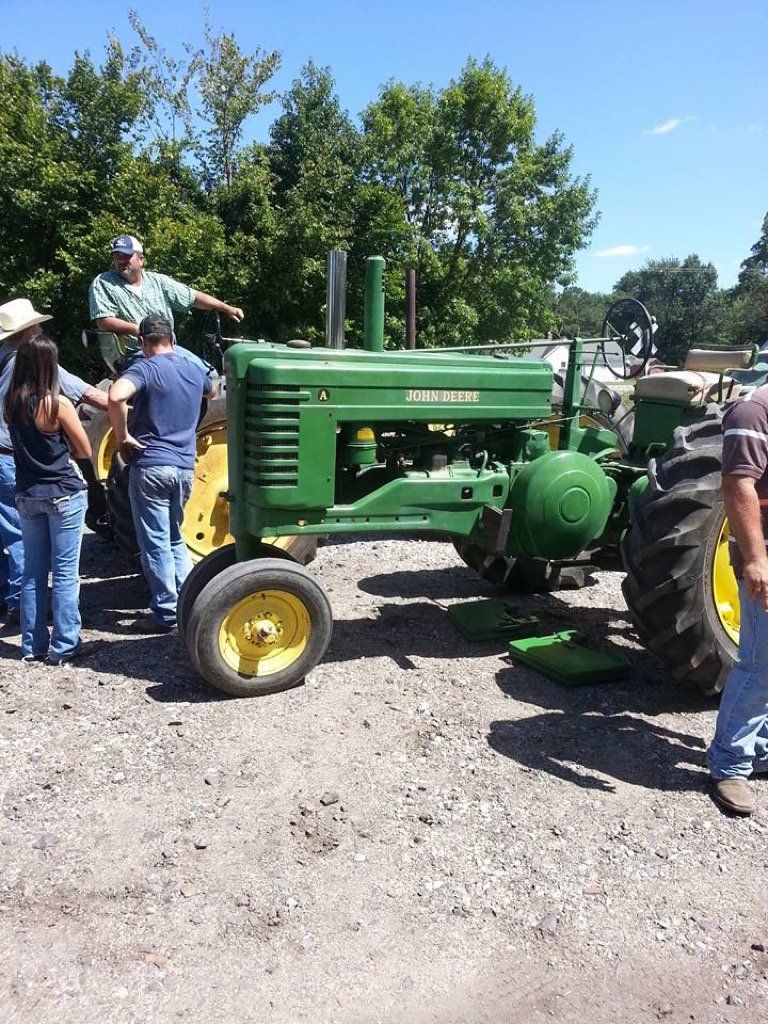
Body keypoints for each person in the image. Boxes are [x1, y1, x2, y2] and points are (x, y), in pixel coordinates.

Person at [0, 298, 107, 628]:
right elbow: (92, 397)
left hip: (4, 456)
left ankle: (14, 604)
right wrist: (128, 406)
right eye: (37, 324)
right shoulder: (31, 363)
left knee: (7, 532)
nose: (42, 328)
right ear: (27, 332)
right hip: (19, 462)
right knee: (32, 545)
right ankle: (28, 611)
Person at [108, 314, 213, 632]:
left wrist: (122, 435)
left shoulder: (144, 367)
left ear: (141, 342)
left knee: (154, 541)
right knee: (173, 537)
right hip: (183, 468)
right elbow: (210, 391)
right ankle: (190, 603)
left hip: (152, 466)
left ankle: (167, 613)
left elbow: (115, 395)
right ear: (173, 339)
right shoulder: (194, 370)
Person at [3, 335, 93, 664]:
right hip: (62, 493)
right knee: (66, 573)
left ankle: (32, 647)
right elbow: (85, 448)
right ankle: (65, 645)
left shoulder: (10, 403)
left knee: (33, 573)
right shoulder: (57, 404)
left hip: (27, 494)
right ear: (49, 365)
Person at [708, 391, 768, 815]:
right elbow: (738, 483)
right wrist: (756, 561)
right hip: (765, 555)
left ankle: (761, 748)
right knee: (760, 664)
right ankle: (729, 764)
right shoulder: (753, 411)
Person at [88, 234, 244, 361]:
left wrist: (227, 308)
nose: (121, 261)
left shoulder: (159, 281)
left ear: (141, 259)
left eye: (126, 256)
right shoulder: (103, 283)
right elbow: (104, 322)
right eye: (117, 256)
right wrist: (144, 331)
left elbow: (193, 297)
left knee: (210, 377)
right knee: (170, 379)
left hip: (171, 350)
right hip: (135, 354)